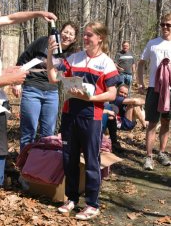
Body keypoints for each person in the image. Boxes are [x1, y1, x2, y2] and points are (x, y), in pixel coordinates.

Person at [47, 21, 119, 220]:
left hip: (92, 116)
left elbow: (112, 94)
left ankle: (92, 204)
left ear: (100, 38)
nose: (85, 38)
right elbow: (54, 78)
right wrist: (49, 55)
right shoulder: (74, 58)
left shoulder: (106, 62)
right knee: (69, 158)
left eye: (89, 35)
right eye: (85, 35)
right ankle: (71, 198)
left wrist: (92, 98)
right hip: (70, 114)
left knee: (91, 160)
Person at [0, 10, 57, 187]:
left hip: (0, 105)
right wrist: (8, 80)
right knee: (28, 132)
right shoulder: (39, 43)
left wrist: (38, 13)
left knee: (1, 151)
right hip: (30, 90)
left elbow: (11, 18)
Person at [12, 21, 79, 150]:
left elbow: (67, 77)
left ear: (74, 39)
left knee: (48, 134)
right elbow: (23, 58)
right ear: (60, 32)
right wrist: (17, 83)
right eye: (65, 32)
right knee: (29, 131)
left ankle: (43, 166)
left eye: (71, 34)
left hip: (52, 93)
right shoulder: (44, 41)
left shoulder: (71, 56)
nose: (67, 36)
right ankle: (25, 166)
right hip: (32, 89)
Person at [137, 13, 171, 170]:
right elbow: (141, 62)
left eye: (169, 25)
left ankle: (162, 152)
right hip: (154, 88)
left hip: (170, 91)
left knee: (166, 122)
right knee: (152, 123)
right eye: (163, 24)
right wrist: (140, 82)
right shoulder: (153, 43)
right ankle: (148, 156)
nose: (165, 27)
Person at [102, 84, 146, 153]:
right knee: (133, 104)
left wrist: (140, 102)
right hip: (121, 123)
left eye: (125, 93)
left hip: (126, 121)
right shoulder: (116, 98)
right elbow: (135, 101)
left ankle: (144, 123)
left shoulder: (124, 99)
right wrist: (141, 101)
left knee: (135, 105)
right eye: (121, 92)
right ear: (117, 92)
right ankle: (144, 124)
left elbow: (139, 101)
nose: (123, 95)